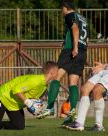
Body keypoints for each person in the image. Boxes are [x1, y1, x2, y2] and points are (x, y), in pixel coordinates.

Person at [37, 0, 89, 128]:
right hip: (83, 52)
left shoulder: (70, 15)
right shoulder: (83, 18)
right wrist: (78, 48)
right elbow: (87, 39)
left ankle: (49, 108)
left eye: (62, 9)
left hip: (71, 50)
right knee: (73, 83)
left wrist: (74, 47)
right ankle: (72, 113)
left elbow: (75, 29)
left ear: (66, 8)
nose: (62, 11)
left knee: (56, 77)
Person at [0, 61, 58, 130]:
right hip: (4, 96)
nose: (58, 74)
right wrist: (29, 103)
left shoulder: (44, 85)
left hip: (14, 104)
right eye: (57, 72)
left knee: (19, 126)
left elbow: (29, 99)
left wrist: (34, 109)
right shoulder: (36, 81)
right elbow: (16, 90)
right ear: (52, 73)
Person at [68, 10, 108, 131]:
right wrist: (104, 66)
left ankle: (99, 125)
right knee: (85, 89)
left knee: (97, 90)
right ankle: (79, 123)